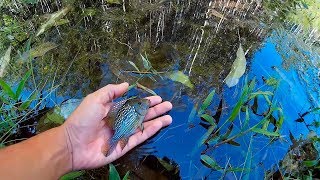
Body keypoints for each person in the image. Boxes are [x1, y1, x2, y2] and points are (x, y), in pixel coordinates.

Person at [0, 82, 173, 179]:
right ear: (139, 107)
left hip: (121, 130)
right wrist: (68, 143)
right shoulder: (134, 111)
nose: (146, 104)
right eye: (143, 104)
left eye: (144, 104)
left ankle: (114, 142)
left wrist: (68, 145)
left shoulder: (136, 111)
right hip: (120, 130)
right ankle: (114, 143)